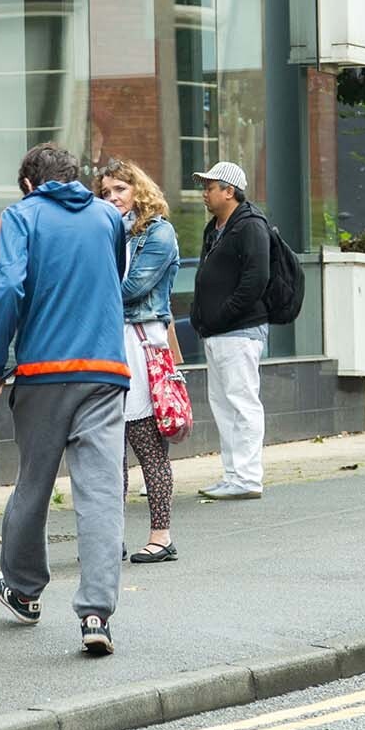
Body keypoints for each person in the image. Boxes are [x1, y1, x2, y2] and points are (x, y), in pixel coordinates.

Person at [0, 145, 129, 657]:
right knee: (103, 493)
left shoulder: (21, 216)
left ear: (27, 183)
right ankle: (95, 614)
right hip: (106, 371)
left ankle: (22, 589)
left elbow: (5, 292)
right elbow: (117, 278)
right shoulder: (109, 217)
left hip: (42, 374)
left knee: (33, 486)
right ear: (76, 179)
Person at [98, 160, 183, 563]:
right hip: (112, 343)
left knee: (147, 445)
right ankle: (110, 538)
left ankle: (162, 535)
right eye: (106, 192)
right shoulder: (109, 231)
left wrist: (88, 290)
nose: (112, 198)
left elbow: (133, 288)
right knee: (109, 450)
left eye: (120, 189)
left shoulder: (158, 233)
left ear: (138, 190)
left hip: (142, 344)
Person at [189, 161, 272, 501]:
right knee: (223, 404)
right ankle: (233, 474)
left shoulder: (250, 226)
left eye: (210, 187)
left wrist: (223, 315)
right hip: (219, 332)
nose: (204, 193)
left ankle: (249, 477)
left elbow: (256, 280)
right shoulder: (216, 228)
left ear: (229, 191)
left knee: (242, 402)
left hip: (239, 331)